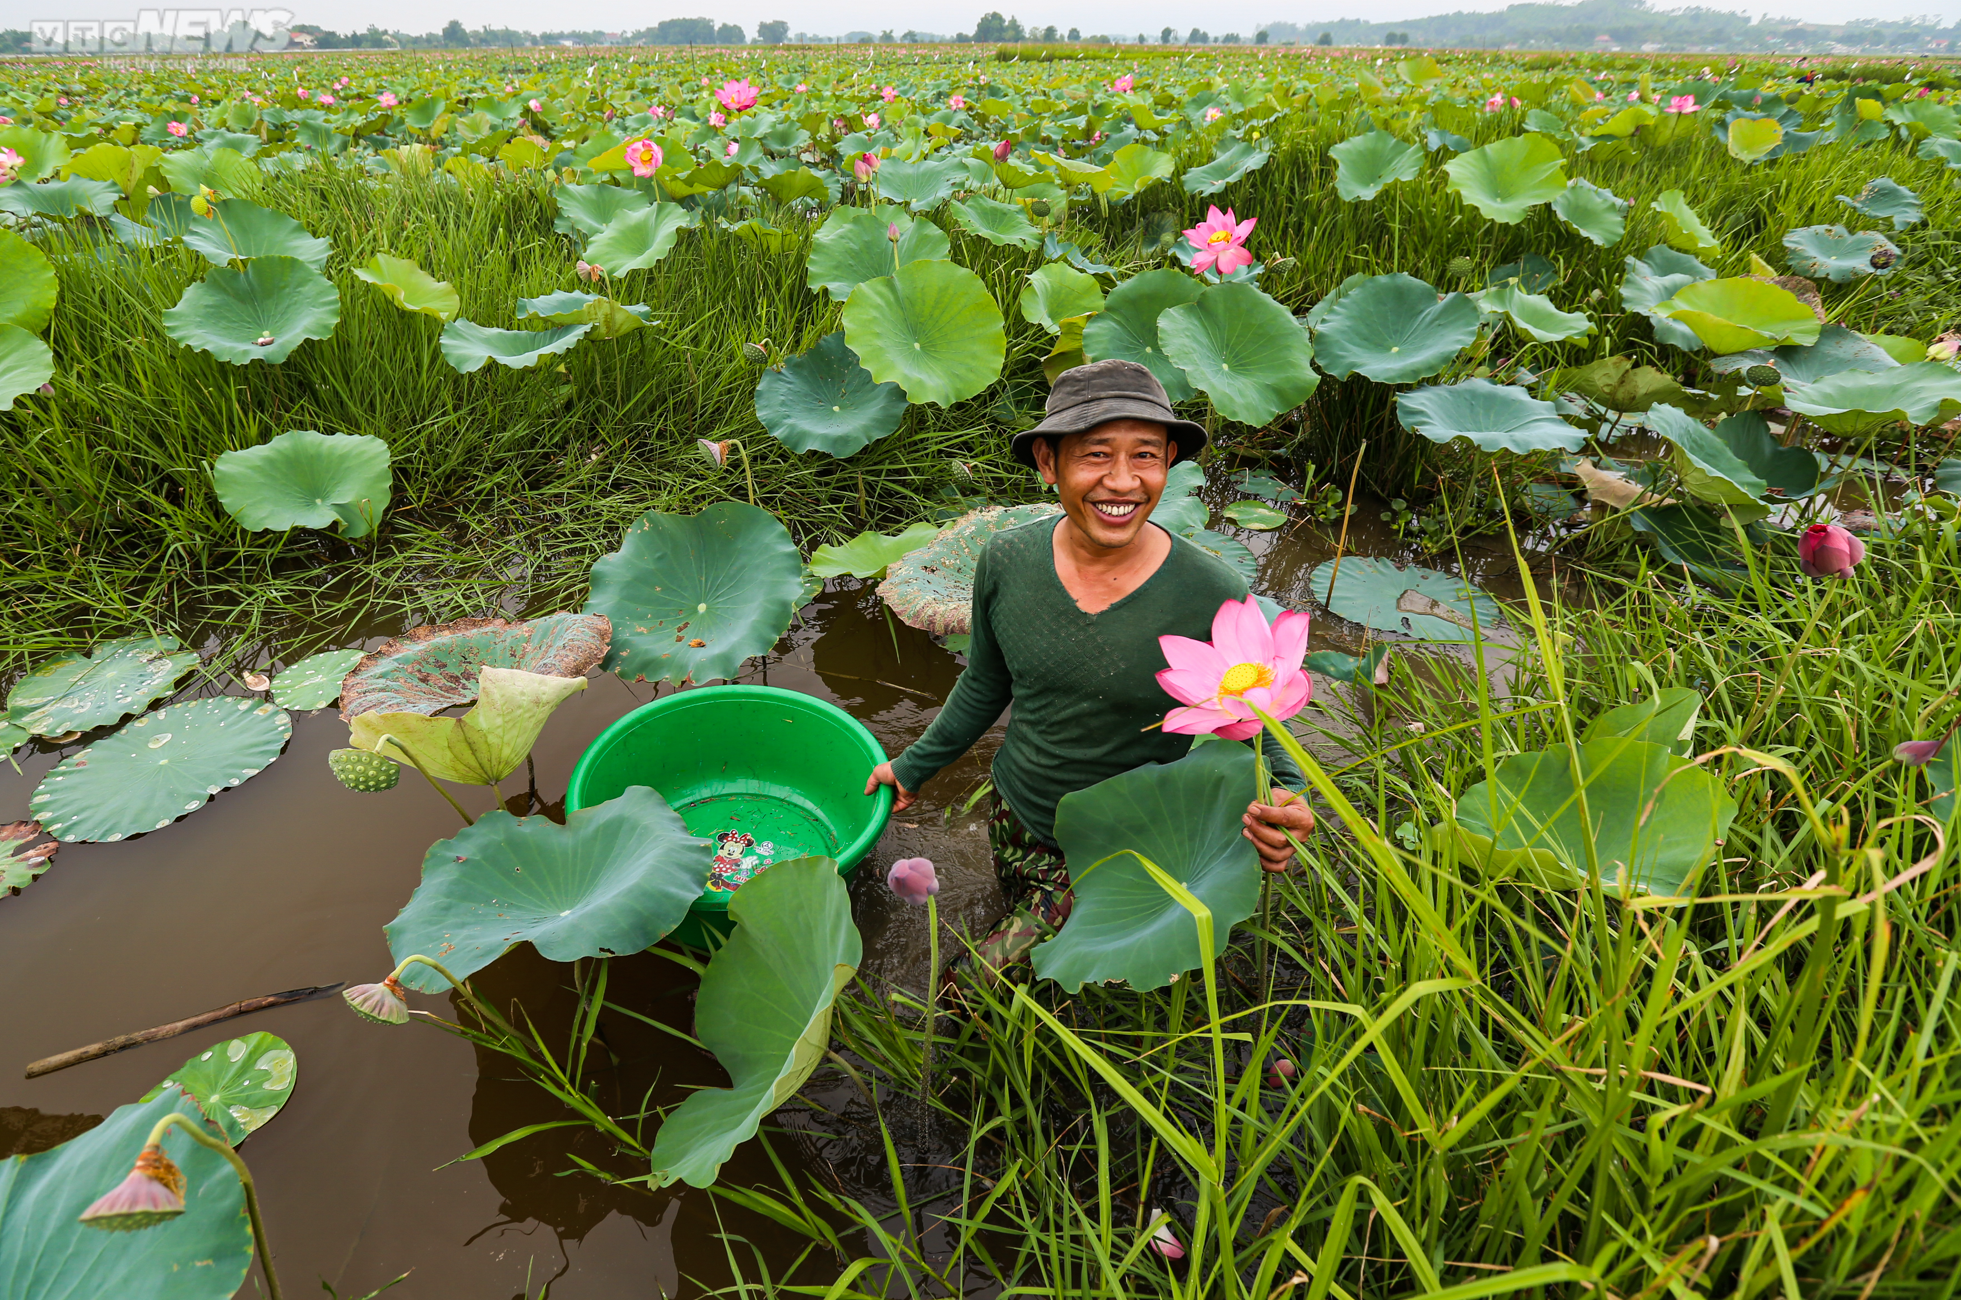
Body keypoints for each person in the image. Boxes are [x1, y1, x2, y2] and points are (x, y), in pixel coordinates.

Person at [864, 359, 1317, 978]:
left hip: (1124, 844)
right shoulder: (1006, 560)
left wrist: (1290, 799)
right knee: (1024, 931)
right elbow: (986, 682)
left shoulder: (1210, 590)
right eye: (1096, 455)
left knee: (974, 989)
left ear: (1169, 463)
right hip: (1017, 810)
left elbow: (1258, 722)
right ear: (1049, 463)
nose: (1124, 482)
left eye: (1146, 457)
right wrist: (913, 767)